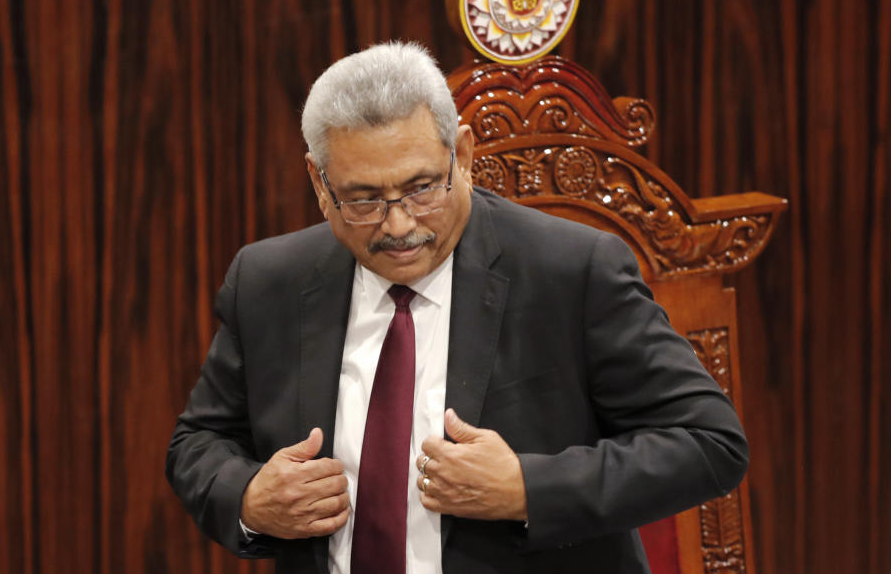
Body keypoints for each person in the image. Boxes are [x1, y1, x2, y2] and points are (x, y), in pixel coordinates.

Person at [166, 41, 748, 574]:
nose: (399, 226)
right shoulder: (270, 282)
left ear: (462, 155)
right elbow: (198, 445)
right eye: (364, 199)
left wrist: (527, 487)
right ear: (320, 184)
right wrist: (248, 499)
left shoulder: (572, 270)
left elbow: (709, 442)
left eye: (422, 188)